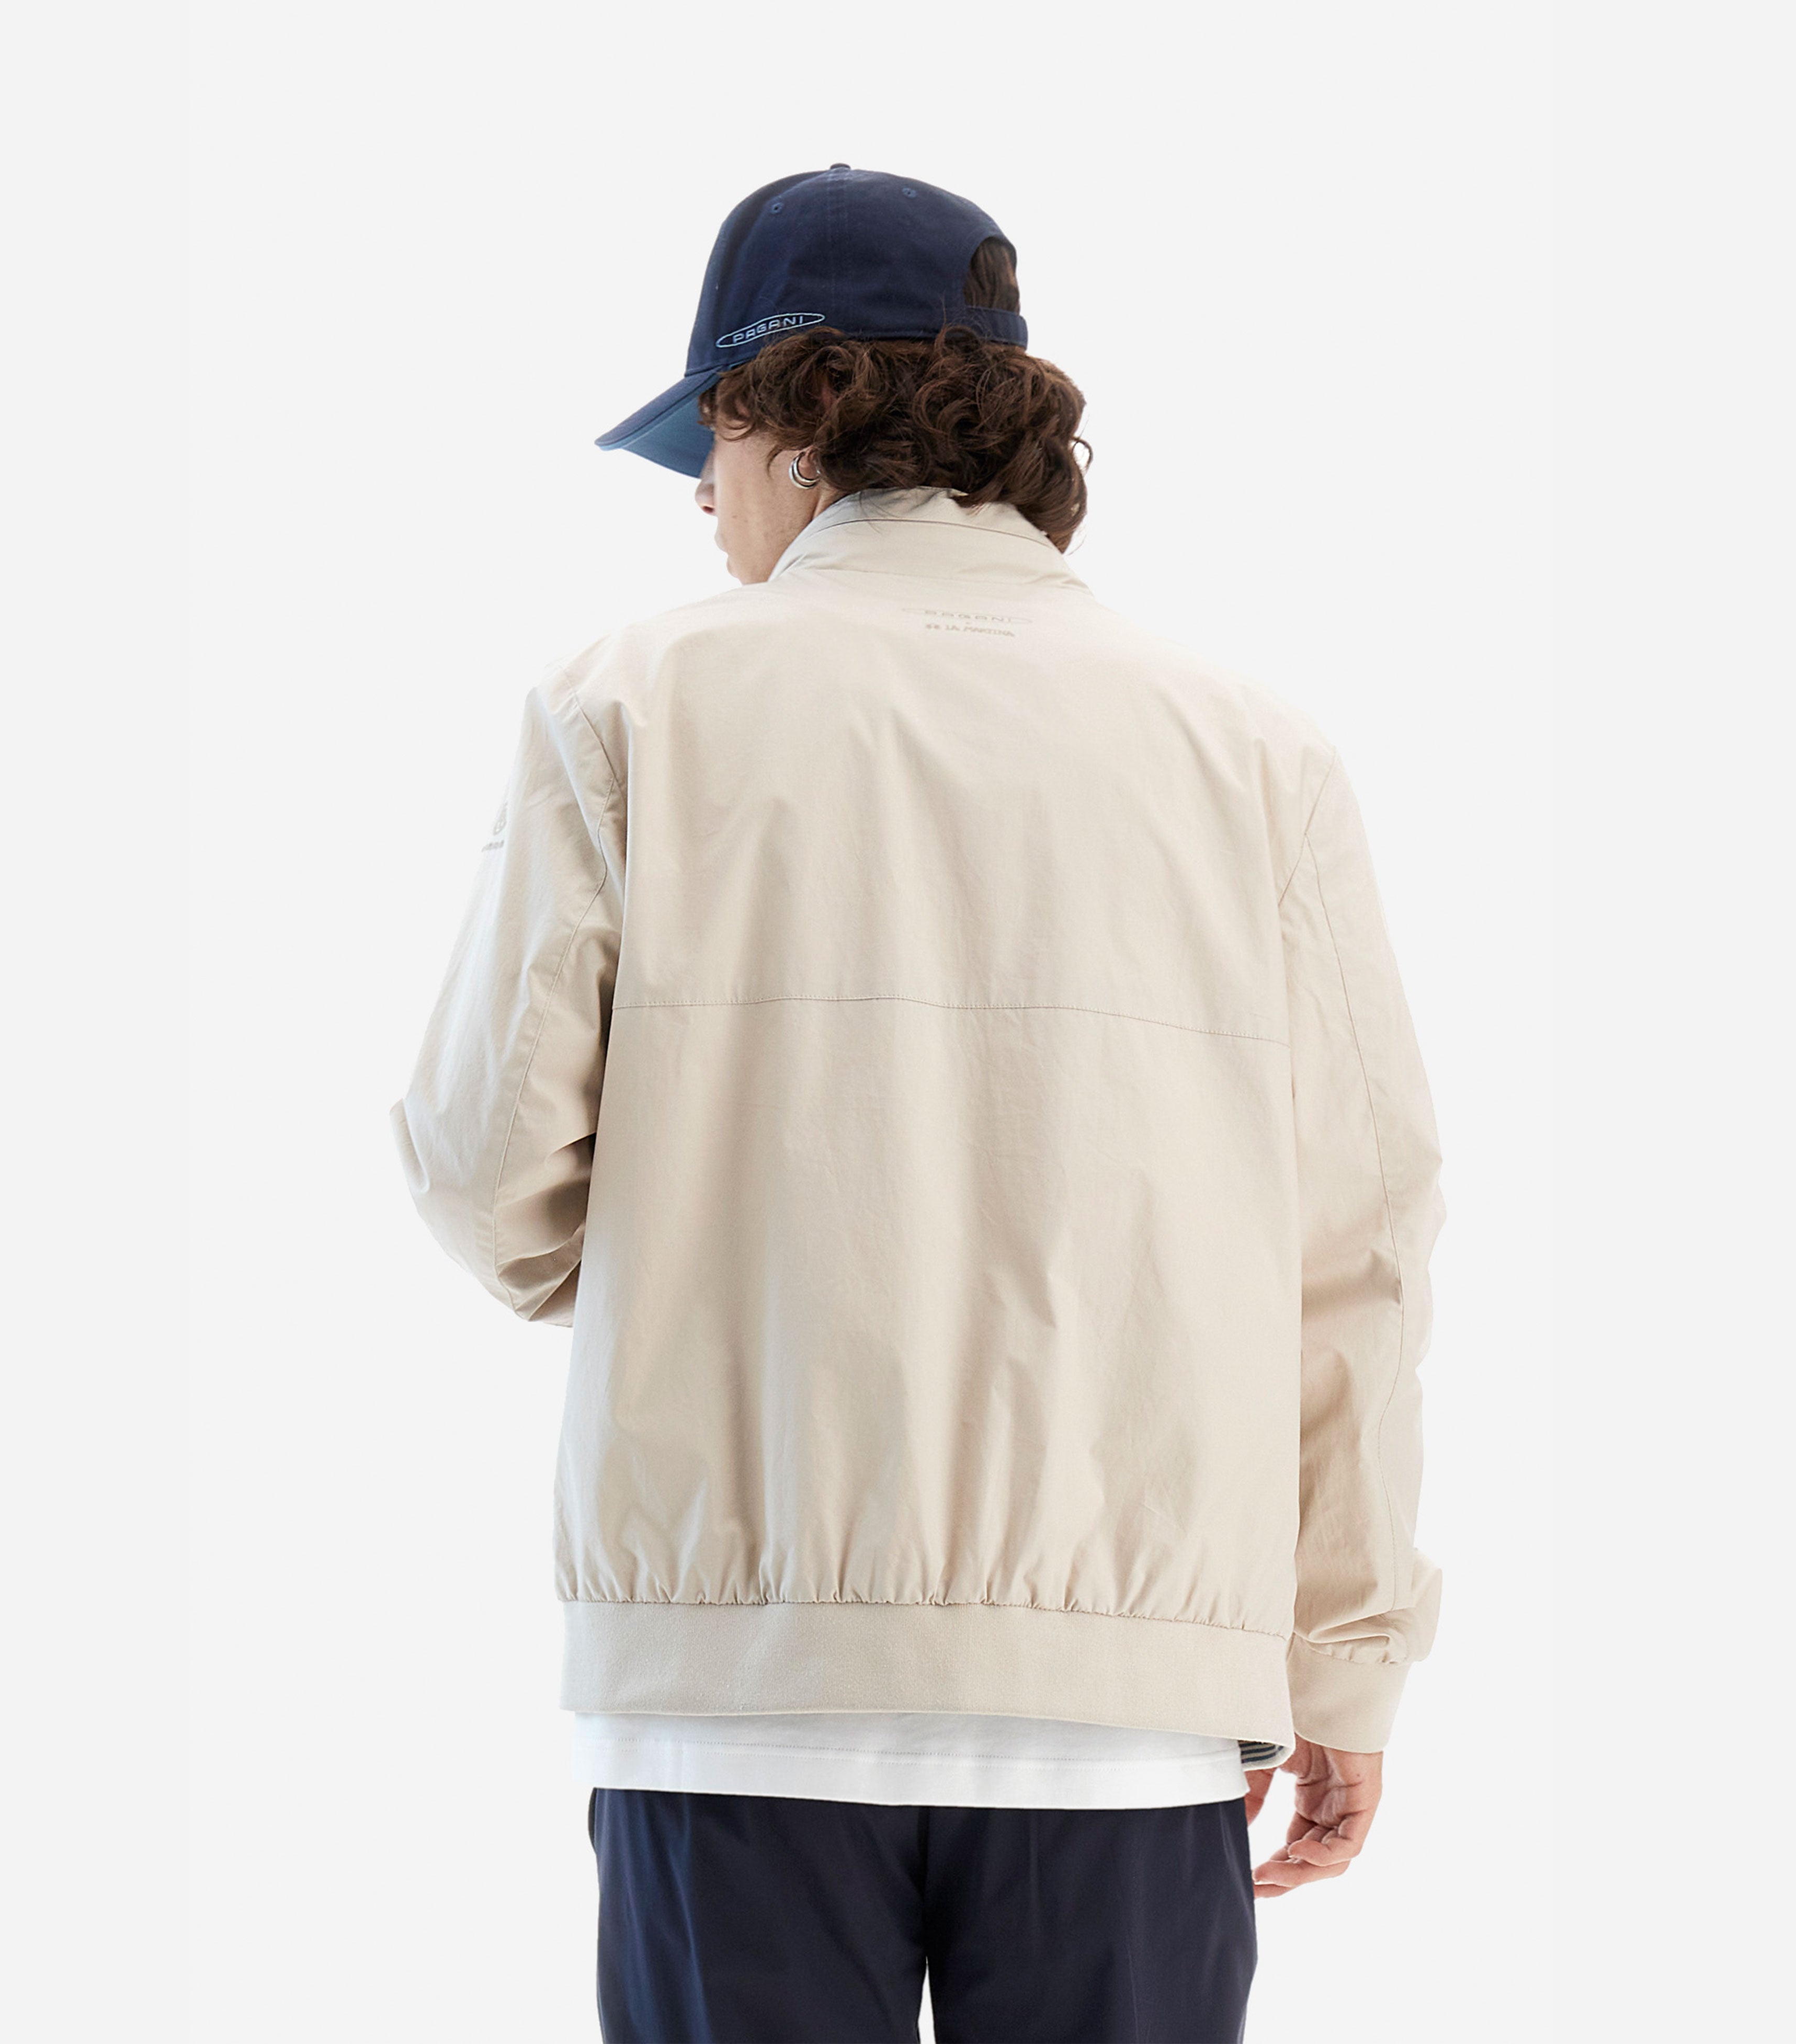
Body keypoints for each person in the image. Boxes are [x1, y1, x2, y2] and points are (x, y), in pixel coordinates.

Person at [393, 165, 1445, 2044]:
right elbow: (1355, 1251)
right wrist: (1343, 1656)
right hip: (1132, 1715)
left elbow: (492, 1181)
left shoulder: (629, 704)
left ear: (796, 416)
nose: (703, 504)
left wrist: (691, 1237)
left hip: (737, 1693)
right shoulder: (1256, 753)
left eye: (710, 446)